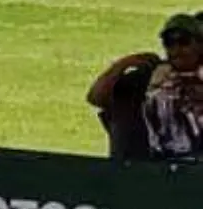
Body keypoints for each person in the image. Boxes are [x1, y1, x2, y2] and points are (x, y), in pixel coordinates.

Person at [87, 13, 203, 161]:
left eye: (184, 42)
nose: (177, 49)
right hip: (154, 165)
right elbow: (96, 98)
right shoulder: (150, 76)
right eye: (169, 43)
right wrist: (124, 64)